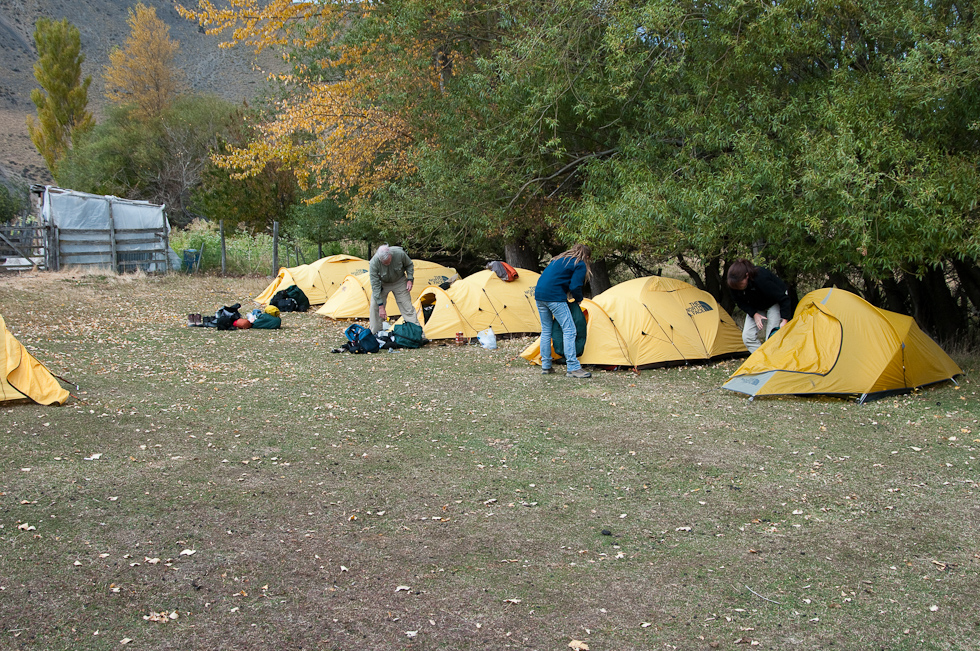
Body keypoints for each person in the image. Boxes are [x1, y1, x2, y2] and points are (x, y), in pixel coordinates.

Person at [535, 244, 592, 378]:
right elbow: (575, 285)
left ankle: (546, 365)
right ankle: (573, 367)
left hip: (539, 294)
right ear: (587, 257)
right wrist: (578, 299)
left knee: (546, 329)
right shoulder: (580, 263)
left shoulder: (559, 259)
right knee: (570, 330)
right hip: (554, 296)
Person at [726, 259, 794, 353]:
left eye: (740, 284)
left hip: (775, 301)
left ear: (747, 275)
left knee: (771, 338)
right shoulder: (734, 284)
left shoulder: (761, 277)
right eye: (735, 286)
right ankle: (763, 361)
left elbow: (784, 299)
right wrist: (754, 314)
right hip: (757, 305)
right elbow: (740, 303)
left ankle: (774, 362)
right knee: (747, 337)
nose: (738, 288)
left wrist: (784, 320)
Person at [368, 244, 420, 334]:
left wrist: (410, 279)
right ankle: (375, 334)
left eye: (388, 261)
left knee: (407, 307)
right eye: (384, 263)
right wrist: (381, 306)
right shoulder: (374, 263)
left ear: (390, 255)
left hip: (399, 281)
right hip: (382, 284)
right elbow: (375, 285)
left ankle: (416, 334)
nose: (387, 264)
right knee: (374, 307)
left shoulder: (399, 253)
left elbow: (409, 265)